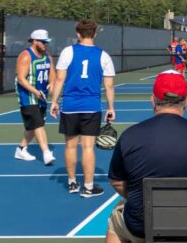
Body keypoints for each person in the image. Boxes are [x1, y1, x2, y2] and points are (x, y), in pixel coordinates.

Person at [106, 71, 187, 243]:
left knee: (114, 226)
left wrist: (143, 197)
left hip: (144, 224)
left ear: (153, 100)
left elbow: (116, 181)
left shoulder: (130, 135)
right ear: (186, 100)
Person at [49, 19, 117, 198]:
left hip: (70, 106)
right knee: (88, 147)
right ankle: (88, 187)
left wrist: (54, 102)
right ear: (94, 34)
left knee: (70, 146)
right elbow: (109, 86)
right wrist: (111, 108)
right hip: (91, 107)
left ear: (78, 34)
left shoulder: (68, 52)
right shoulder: (103, 56)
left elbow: (59, 79)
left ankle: (72, 183)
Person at [13, 29, 56, 166]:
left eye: (46, 42)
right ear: (35, 41)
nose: (45, 44)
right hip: (28, 95)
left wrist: (52, 83)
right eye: (43, 42)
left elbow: (52, 74)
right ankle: (46, 152)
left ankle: (21, 149)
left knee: (33, 126)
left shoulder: (47, 55)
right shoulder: (26, 56)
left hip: (41, 95)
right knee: (38, 123)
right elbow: (21, 79)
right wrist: (35, 91)